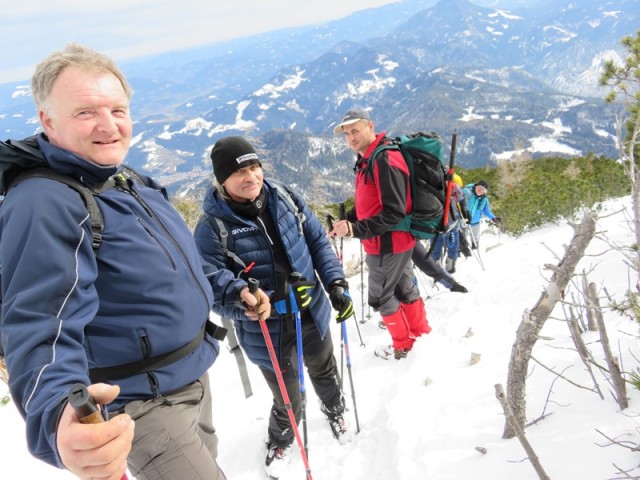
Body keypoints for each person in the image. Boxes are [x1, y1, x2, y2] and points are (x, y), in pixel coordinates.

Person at [0, 43, 270, 480]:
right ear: (47, 120)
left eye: (118, 110)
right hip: (142, 405)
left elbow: (184, 266)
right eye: (86, 112)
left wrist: (232, 291)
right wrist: (57, 416)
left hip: (189, 379)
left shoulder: (127, 181)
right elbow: (40, 323)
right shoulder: (44, 202)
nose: (109, 126)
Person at [193, 136, 354, 479]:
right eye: (239, 172)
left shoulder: (284, 197)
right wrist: (243, 300)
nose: (251, 176)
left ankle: (335, 408)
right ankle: (281, 436)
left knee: (324, 368)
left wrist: (336, 282)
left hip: (311, 310)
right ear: (222, 180)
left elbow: (316, 242)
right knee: (287, 395)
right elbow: (210, 281)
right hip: (267, 327)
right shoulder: (212, 228)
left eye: (254, 167)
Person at [329, 108, 431, 360]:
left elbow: (394, 211)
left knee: (380, 297)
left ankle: (403, 346)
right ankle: (421, 334)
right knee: (404, 288)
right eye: (346, 133)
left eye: (355, 130)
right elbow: (370, 203)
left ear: (370, 126)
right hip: (391, 243)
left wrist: (355, 230)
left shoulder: (384, 158)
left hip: (388, 244)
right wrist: (349, 219)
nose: (351, 137)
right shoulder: (369, 158)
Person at [429, 173, 468, 273]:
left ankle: (448, 264)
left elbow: (463, 198)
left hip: (448, 224)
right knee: (439, 246)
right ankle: (438, 266)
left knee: (451, 245)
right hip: (439, 225)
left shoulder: (455, 188)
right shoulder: (433, 187)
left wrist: (465, 212)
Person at [462, 179, 500, 249]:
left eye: (483, 190)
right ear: (476, 185)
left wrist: (493, 218)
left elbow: (487, 211)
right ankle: (461, 253)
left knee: (475, 241)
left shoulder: (484, 199)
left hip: (475, 222)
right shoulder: (467, 192)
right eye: (480, 187)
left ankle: (474, 251)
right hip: (464, 220)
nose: (480, 190)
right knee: (462, 239)